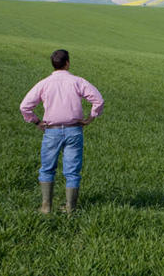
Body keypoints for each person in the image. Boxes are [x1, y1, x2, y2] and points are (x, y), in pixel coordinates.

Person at [19, 49, 104, 213]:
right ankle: (71, 208)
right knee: (72, 172)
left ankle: (46, 207)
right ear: (67, 63)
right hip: (74, 131)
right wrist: (90, 118)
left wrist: (36, 121)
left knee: (47, 169)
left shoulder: (44, 83)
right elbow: (98, 100)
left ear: (53, 64)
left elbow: (24, 106)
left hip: (52, 131)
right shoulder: (77, 81)